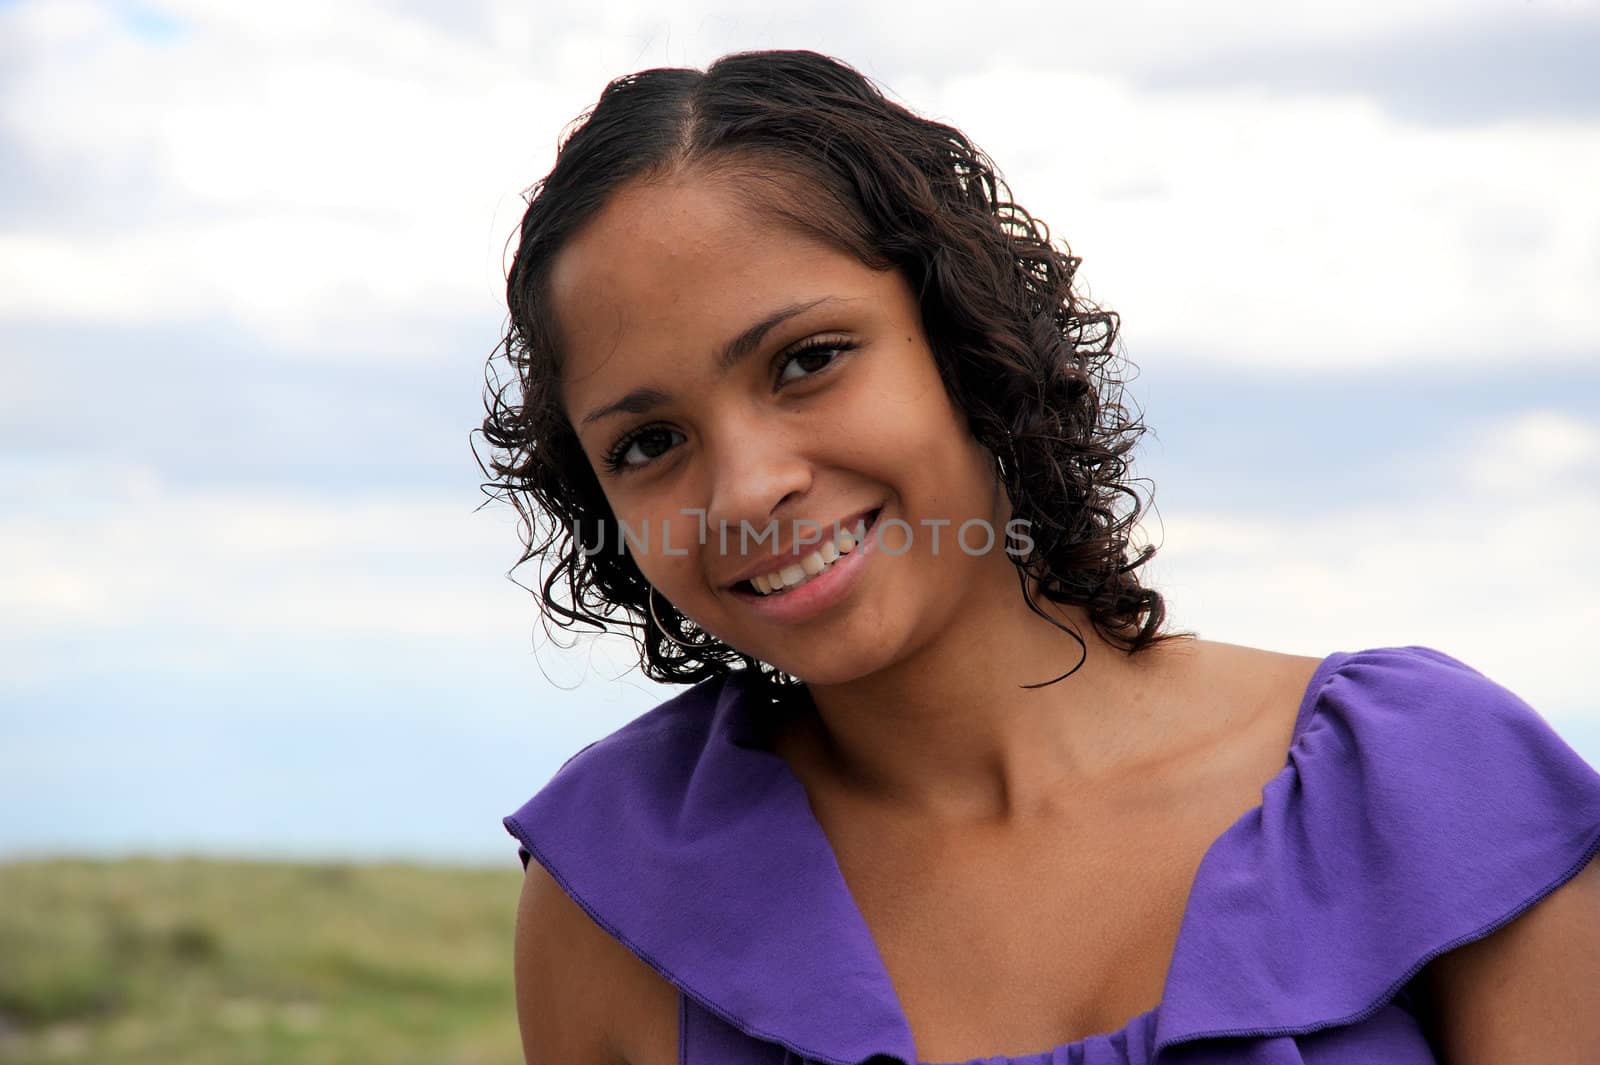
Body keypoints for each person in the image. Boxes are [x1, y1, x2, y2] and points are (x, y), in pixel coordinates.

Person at [478, 49, 1600, 1065]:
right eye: (649, 443)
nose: (746, 486)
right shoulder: (620, 897)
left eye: (807, 359)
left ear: (966, 339)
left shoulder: (1431, 795)